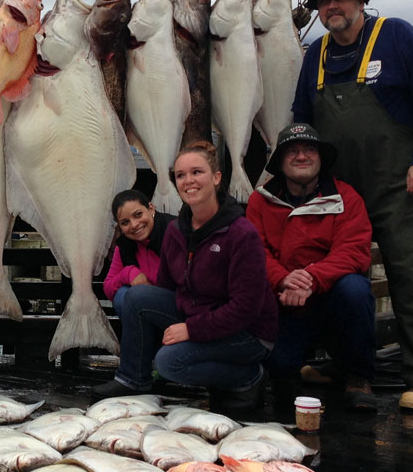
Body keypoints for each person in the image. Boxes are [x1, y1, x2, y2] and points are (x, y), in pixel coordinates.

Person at [292, 0, 413, 411]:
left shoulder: (396, 35)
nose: (332, 8)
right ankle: (345, 363)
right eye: (324, 2)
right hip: (340, 191)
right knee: (340, 279)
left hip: (401, 183)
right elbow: (302, 118)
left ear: (361, 2)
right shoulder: (315, 54)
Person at [93, 141, 277, 411]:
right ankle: (134, 379)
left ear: (216, 178)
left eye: (197, 172)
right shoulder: (177, 231)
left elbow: (245, 308)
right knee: (137, 296)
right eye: (181, 175)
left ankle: (249, 378)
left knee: (170, 362)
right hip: (199, 316)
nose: (188, 180)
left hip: (247, 333)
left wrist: (191, 330)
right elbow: (168, 291)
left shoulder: (241, 233)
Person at [247, 124, 377, 410]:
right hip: (284, 304)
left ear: (321, 158)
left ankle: (358, 377)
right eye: (292, 151)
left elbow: (353, 251)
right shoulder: (259, 200)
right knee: (281, 372)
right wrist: (282, 280)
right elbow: (255, 252)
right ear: (280, 162)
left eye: (309, 150)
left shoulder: (346, 197)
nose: (301, 156)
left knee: (355, 289)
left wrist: (310, 278)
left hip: (330, 300)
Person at [93, 189, 175, 398]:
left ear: (151, 208)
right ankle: (136, 376)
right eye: (125, 222)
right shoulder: (125, 246)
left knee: (136, 296)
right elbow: (109, 286)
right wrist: (130, 273)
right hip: (148, 315)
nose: (134, 225)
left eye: (138, 215)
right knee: (124, 295)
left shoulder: (174, 234)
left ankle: (133, 376)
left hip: (183, 310)